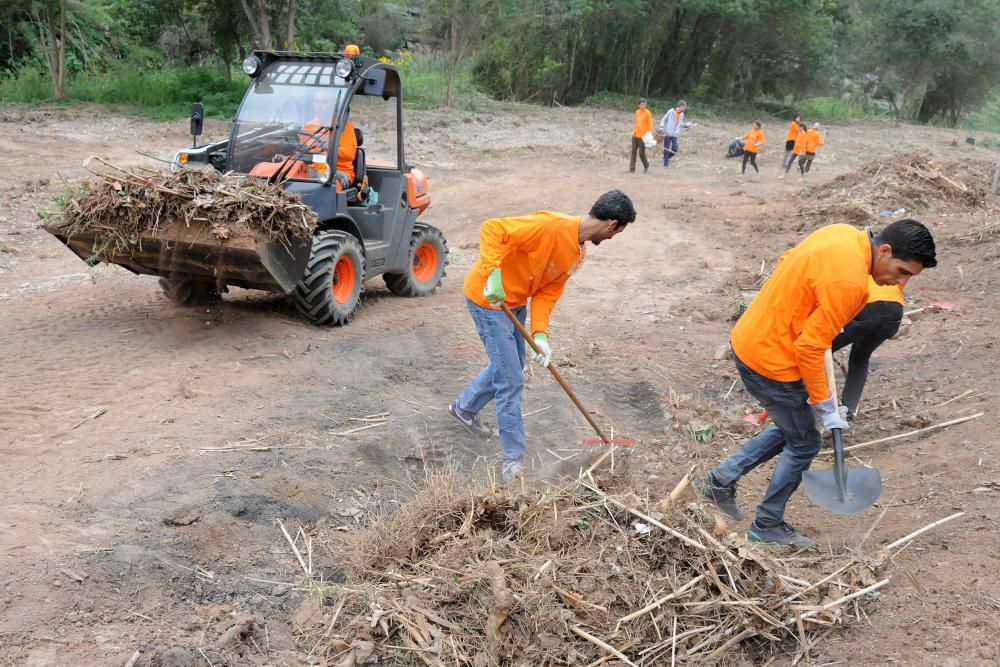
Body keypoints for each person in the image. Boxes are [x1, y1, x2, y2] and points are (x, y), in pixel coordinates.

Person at [697, 219, 936, 547]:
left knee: (794, 426)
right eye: (902, 271)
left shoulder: (841, 234)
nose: (901, 282)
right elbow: (810, 347)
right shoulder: (851, 285)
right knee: (806, 442)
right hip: (772, 360)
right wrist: (825, 405)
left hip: (751, 337)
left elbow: (787, 262)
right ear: (884, 251)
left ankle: (719, 480)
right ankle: (767, 524)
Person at [449, 190, 637, 483]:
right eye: (619, 232)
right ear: (612, 224)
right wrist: (494, 274)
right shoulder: (550, 226)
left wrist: (541, 335)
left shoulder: (578, 253)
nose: (614, 238)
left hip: (515, 302)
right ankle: (513, 460)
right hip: (489, 300)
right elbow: (492, 228)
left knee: (510, 365)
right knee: (510, 379)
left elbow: (547, 294)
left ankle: (464, 408)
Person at [831, 277, 905, 420]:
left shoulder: (853, 266)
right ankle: (848, 411)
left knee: (819, 350)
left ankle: (819, 410)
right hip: (894, 309)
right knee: (860, 359)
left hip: (864, 306)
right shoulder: (881, 266)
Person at [301, 90, 357, 189]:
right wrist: (285, 158)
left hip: (340, 172)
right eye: (317, 101)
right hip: (316, 170)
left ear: (331, 104)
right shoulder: (308, 126)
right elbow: (301, 153)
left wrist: (330, 148)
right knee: (290, 176)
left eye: (324, 102)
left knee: (325, 185)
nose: (320, 105)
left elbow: (350, 154)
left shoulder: (344, 127)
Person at [658, 100, 687, 167]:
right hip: (668, 133)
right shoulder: (671, 111)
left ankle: (666, 159)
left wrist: (686, 125)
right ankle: (666, 165)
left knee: (675, 149)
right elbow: (663, 119)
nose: (684, 109)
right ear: (680, 106)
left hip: (675, 134)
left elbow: (679, 124)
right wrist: (662, 127)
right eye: (684, 107)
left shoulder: (682, 114)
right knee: (666, 149)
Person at [630, 98, 653, 173]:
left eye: (644, 104)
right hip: (635, 135)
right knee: (633, 152)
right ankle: (632, 169)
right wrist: (633, 131)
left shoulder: (648, 113)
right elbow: (636, 123)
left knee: (641, 154)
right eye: (641, 104)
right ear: (639, 105)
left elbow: (650, 125)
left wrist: (649, 135)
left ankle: (646, 165)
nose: (643, 105)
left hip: (643, 137)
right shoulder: (637, 112)